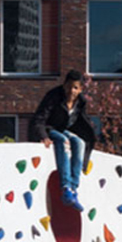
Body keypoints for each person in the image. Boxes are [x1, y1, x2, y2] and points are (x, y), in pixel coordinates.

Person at [30, 69, 96, 213]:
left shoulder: (80, 102)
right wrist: (43, 136)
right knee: (63, 140)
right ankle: (66, 187)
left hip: (62, 129)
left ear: (80, 89)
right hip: (49, 128)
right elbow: (39, 118)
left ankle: (73, 188)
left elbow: (82, 122)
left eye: (75, 88)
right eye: (69, 86)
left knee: (79, 143)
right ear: (64, 85)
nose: (71, 91)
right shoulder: (53, 96)